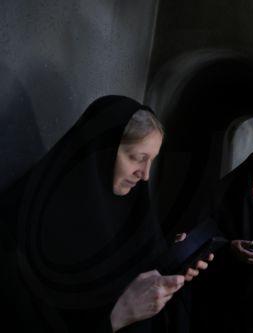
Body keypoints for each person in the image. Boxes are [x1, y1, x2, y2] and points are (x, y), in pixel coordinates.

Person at [0, 95, 211, 332]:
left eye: (151, 160)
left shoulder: (133, 211)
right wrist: (118, 316)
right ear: (99, 152)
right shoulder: (22, 222)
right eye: (138, 158)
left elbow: (142, 272)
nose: (145, 175)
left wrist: (173, 265)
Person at [190, 150, 253, 333]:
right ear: (250, 173)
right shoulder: (222, 195)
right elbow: (203, 233)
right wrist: (228, 247)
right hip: (223, 284)